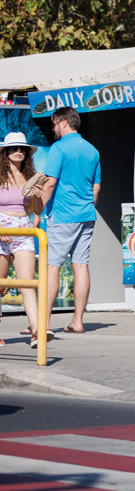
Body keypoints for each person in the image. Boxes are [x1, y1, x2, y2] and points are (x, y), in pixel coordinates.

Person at [41, 107, 100, 335]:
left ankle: (44, 324)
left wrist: (38, 212)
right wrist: (85, 208)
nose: (53, 128)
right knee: (81, 265)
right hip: (86, 215)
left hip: (63, 215)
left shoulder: (59, 148)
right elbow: (96, 188)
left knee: (52, 267)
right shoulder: (93, 150)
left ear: (64, 122)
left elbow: (49, 183)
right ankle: (77, 320)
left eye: (54, 124)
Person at [0, 133, 44, 346]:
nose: (18, 151)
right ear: (5, 152)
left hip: (24, 230)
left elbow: (36, 210)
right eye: (13, 148)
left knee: (28, 285)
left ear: (27, 153)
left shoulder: (30, 176)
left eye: (22, 148)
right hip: (1, 229)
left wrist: (38, 198)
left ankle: (37, 332)